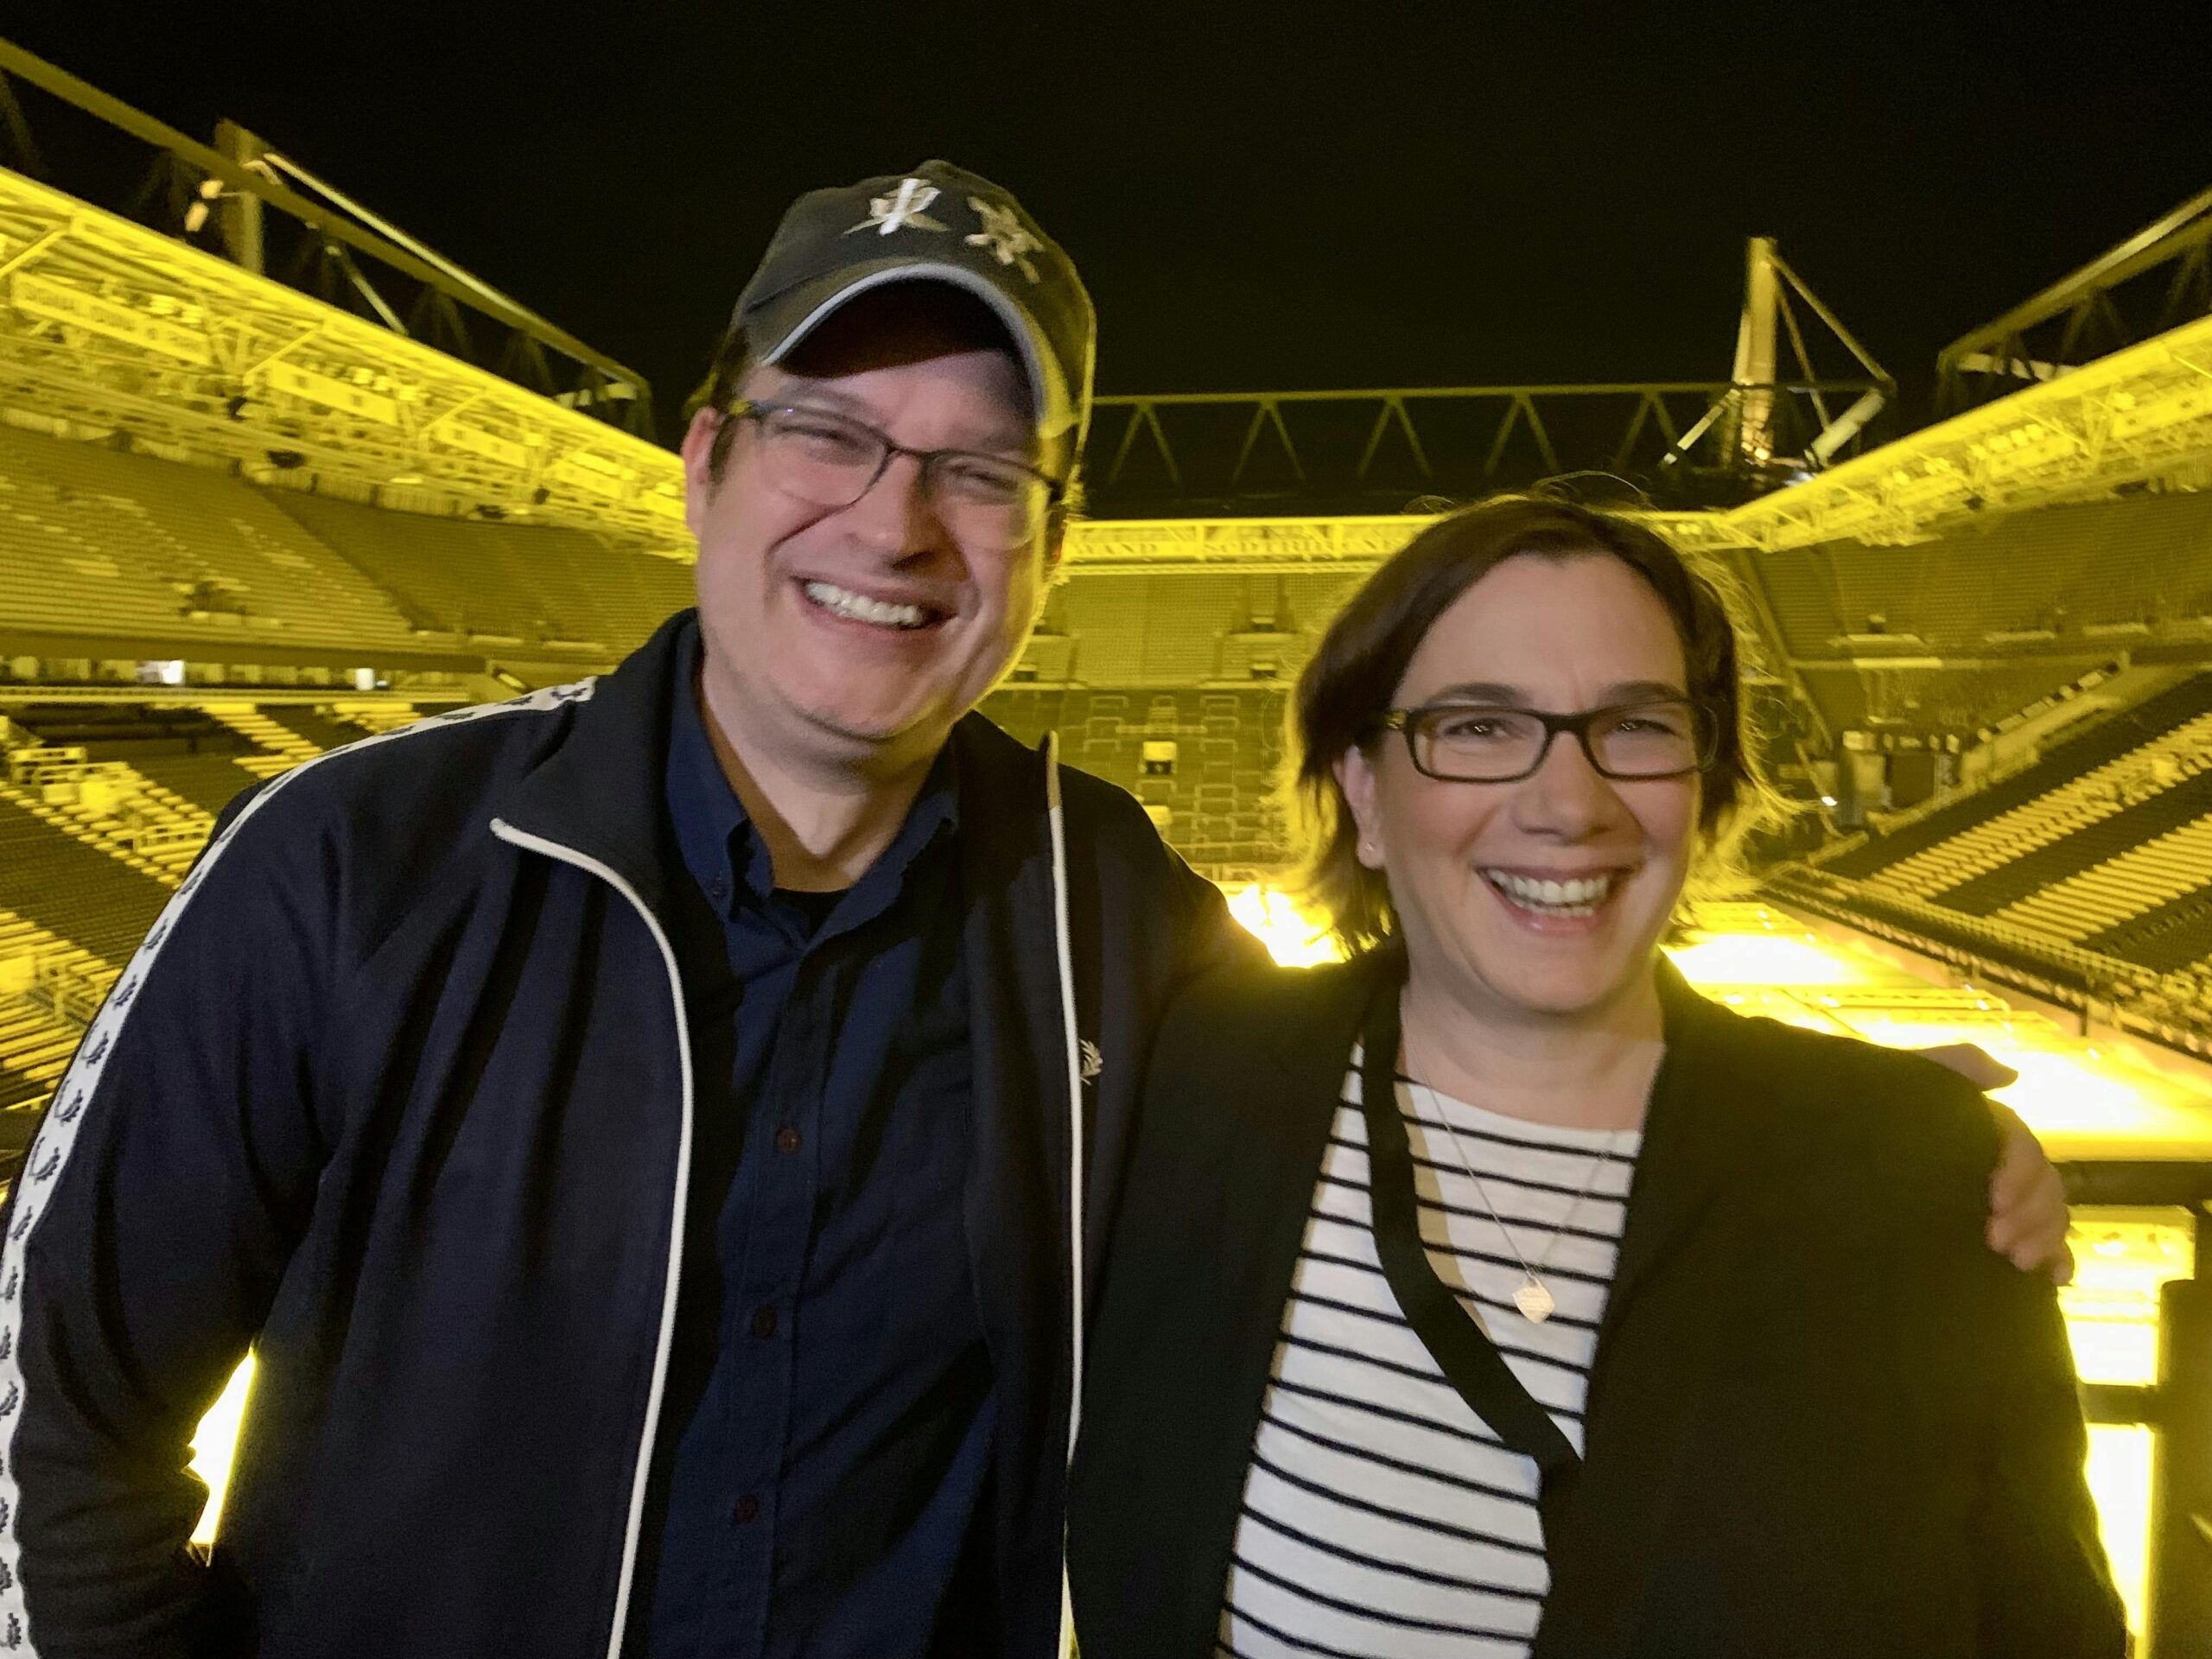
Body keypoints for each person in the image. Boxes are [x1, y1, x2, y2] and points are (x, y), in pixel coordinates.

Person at [0, 170, 2064, 1659]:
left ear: (1051, 543)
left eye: (981, 475)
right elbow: (48, 1405)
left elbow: (1471, 959)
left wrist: (1865, 1151)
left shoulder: (1108, 913)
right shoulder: (354, 859)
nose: (894, 525)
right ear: (707, 461)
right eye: (828, 433)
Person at [1068, 499, 2124, 1658]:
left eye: (1635, 725)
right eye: (1476, 727)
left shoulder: (1911, 1178)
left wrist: (1879, 1127)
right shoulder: (1204, 1081)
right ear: (1363, 791)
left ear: (1706, 780)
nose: (1569, 803)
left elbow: (2046, 1623)